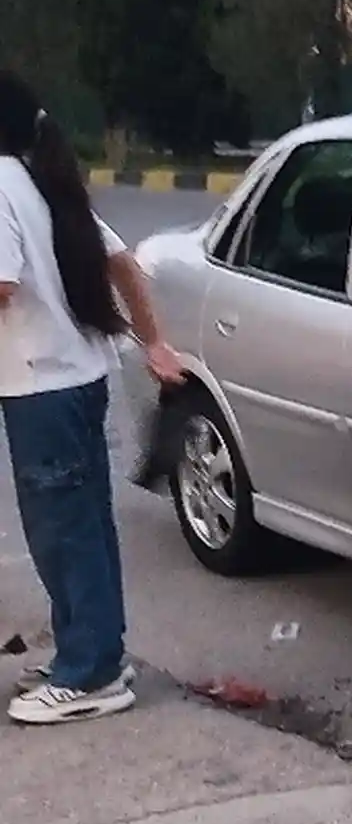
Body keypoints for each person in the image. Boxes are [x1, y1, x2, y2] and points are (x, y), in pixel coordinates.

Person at [0, 71, 183, 724]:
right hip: (78, 379)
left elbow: (1, 285)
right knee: (84, 527)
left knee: (62, 533)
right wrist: (153, 344)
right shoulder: (44, 180)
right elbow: (123, 264)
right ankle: (95, 650)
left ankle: (91, 674)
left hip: (41, 386)